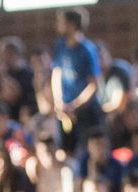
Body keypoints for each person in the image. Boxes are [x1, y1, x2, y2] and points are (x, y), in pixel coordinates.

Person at [52, 7, 102, 152]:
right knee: (66, 150)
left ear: (72, 24)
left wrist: (74, 105)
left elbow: (94, 85)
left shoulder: (87, 49)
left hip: (85, 112)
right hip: (64, 110)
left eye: (62, 22)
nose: (58, 26)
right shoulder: (60, 46)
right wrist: (59, 102)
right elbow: (57, 73)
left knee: (88, 150)